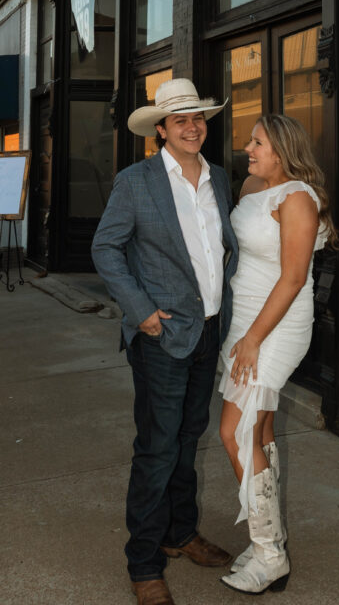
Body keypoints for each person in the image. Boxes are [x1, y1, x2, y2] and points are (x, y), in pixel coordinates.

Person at [92, 78, 239, 605]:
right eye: (181, 120)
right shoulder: (136, 181)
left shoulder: (219, 178)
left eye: (198, 118)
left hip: (207, 332)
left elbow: (223, 252)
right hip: (160, 336)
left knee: (187, 440)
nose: (192, 127)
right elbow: (106, 248)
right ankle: (145, 563)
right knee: (156, 449)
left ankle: (181, 533)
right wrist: (142, 314)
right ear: (161, 130)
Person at [218, 114, 339, 594]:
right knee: (260, 428)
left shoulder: (298, 200)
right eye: (250, 141)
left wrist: (253, 339)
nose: (248, 148)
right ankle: (270, 538)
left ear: (283, 149)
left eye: (258, 142)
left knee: (234, 431)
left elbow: (292, 278)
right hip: (242, 318)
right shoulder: (251, 186)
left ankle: (270, 556)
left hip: (275, 326)